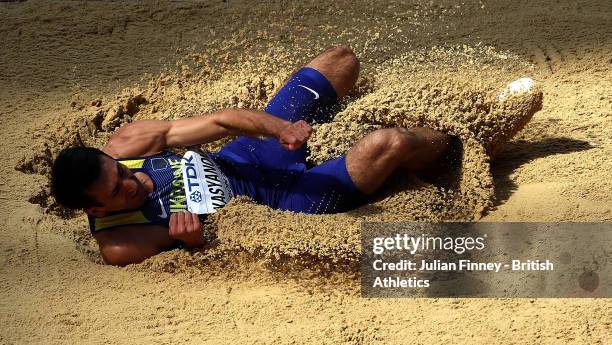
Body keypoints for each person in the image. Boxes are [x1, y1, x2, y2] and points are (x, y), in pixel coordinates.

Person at [51, 45, 455, 266]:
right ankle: (460, 145)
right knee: (390, 143)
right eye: (118, 192)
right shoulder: (120, 242)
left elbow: (224, 122)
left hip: (250, 154)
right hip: (286, 203)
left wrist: (284, 129)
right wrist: (194, 242)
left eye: (121, 172)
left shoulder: (127, 144)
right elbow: (212, 254)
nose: (132, 182)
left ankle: (327, 134)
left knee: (340, 60)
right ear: (98, 211)